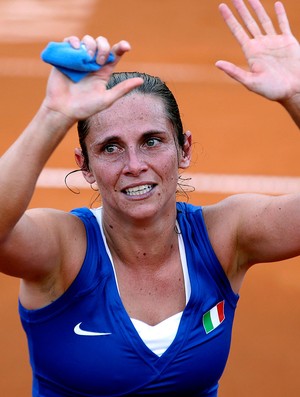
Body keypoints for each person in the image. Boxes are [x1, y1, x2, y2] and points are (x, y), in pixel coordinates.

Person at [0, 0, 300, 395]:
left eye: (152, 141)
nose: (134, 164)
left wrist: (297, 95)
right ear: (84, 164)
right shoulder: (62, 251)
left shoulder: (226, 237)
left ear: (184, 148)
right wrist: (53, 115)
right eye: (110, 148)